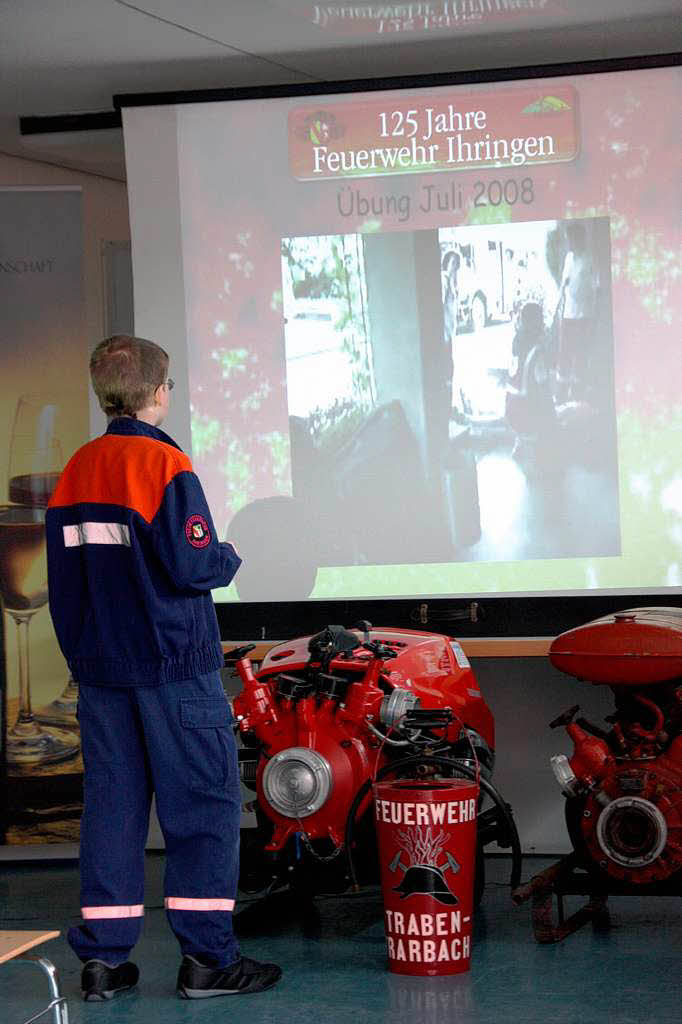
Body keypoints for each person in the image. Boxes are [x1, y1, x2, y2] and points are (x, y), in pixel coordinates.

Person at [45, 335, 282, 1001]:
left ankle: (103, 964)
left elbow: (63, 583)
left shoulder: (77, 470)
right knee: (202, 807)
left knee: (113, 809)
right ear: (158, 392)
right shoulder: (165, 465)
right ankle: (209, 961)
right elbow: (193, 565)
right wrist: (229, 552)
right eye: (169, 386)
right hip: (173, 666)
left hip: (101, 671)